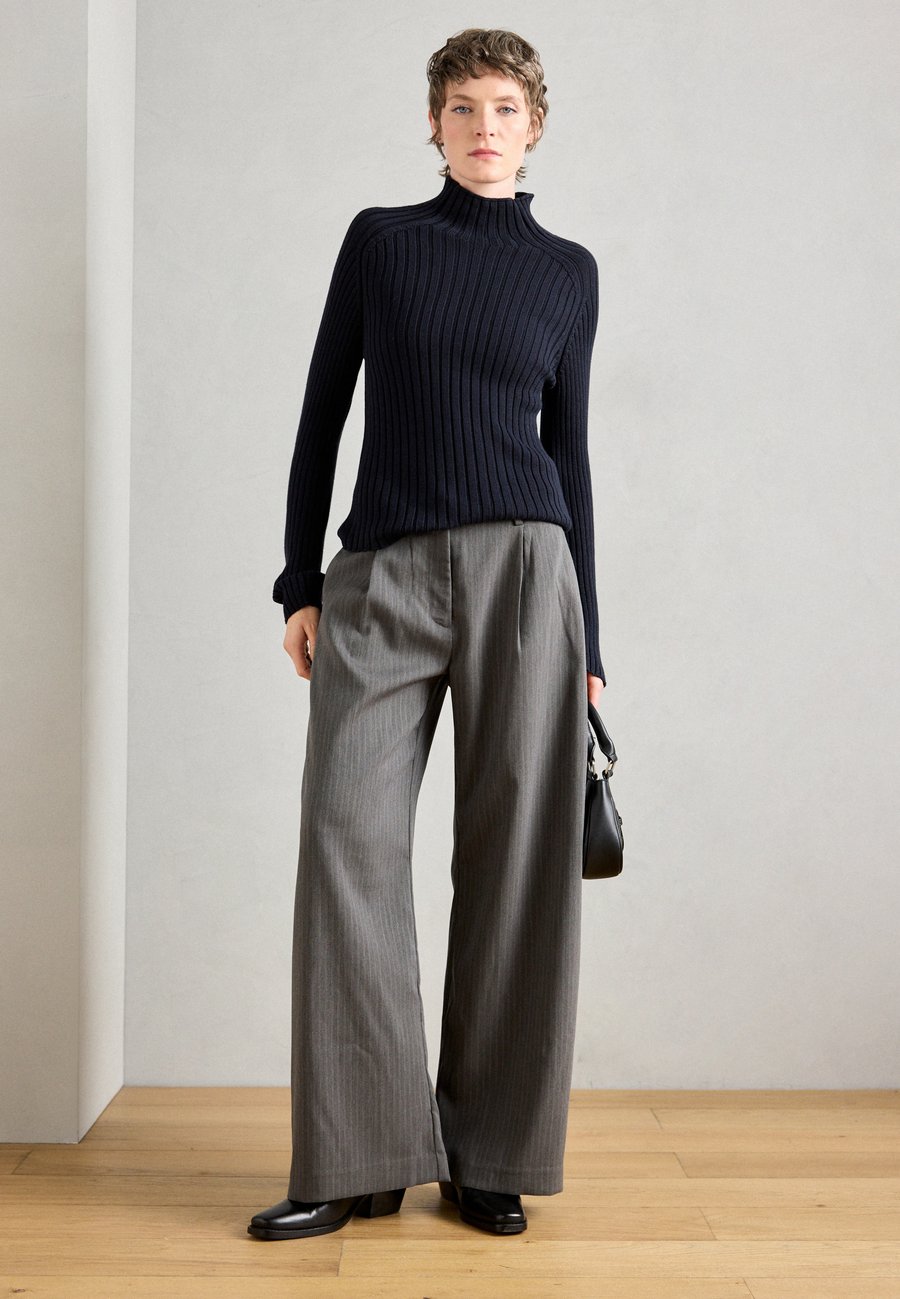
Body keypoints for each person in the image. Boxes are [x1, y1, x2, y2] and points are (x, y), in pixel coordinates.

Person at [248, 27, 608, 1242]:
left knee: (517, 867)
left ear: (534, 126)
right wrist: (299, 580)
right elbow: (322, 410)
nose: (483, 126)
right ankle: (359, 1157)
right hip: (384, 573)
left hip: (528, 573)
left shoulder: (569, 273)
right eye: (462, 106)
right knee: (346, 839)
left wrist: (591, 644)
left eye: (504, 106)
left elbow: (572, 460)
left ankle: (489, 1153)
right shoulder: (383, 243)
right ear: (435, 125)